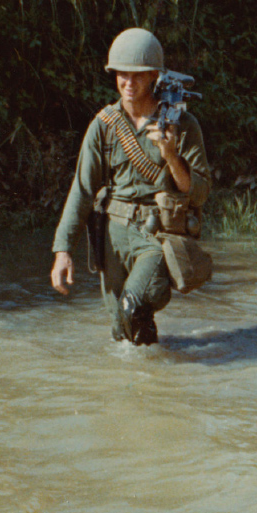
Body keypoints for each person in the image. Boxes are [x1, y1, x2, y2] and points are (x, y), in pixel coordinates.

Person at [50, 28, 210, 343]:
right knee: (121, 332)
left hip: (156, 236)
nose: (128, 82)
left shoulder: (182, 125)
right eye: (122, 74)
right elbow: (82, 190)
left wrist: (170, 155)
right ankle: (149, 379)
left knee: (133, 304)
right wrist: (63, 250)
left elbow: (200, 193)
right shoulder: (105, 125)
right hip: (111, 236)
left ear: (153, 75)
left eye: (137, 75)